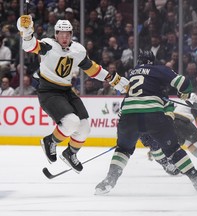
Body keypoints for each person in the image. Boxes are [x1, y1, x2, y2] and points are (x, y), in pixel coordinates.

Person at [16, 15, 129, 173]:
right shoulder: (48, 45)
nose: (64, 36)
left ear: (71, 34)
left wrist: (113, 79)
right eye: (61, 33)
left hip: (66, 91)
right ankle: (50, 141)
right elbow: (30, 47)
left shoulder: (78, 50)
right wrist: (26, 32)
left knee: (84, 128)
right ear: (55, 34)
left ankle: (70, 153)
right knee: (71, 122)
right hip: (49, 91)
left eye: (67, 33)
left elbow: (93, 69)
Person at [94, 50, 197, 195]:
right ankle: (196, 179)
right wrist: (184, 93)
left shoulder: (133, 73)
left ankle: (109, 181)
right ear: (152, 61)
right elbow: (184, 82)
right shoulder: (158, 69)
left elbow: (128, 99)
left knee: (123, 149)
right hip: (152, 114)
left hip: (128, 115)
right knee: (173, 149)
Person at [141, 93, 197, 175]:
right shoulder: (192, 103)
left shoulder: (175, 103)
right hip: (182, 122)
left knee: (189, 144)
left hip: (169, 124)